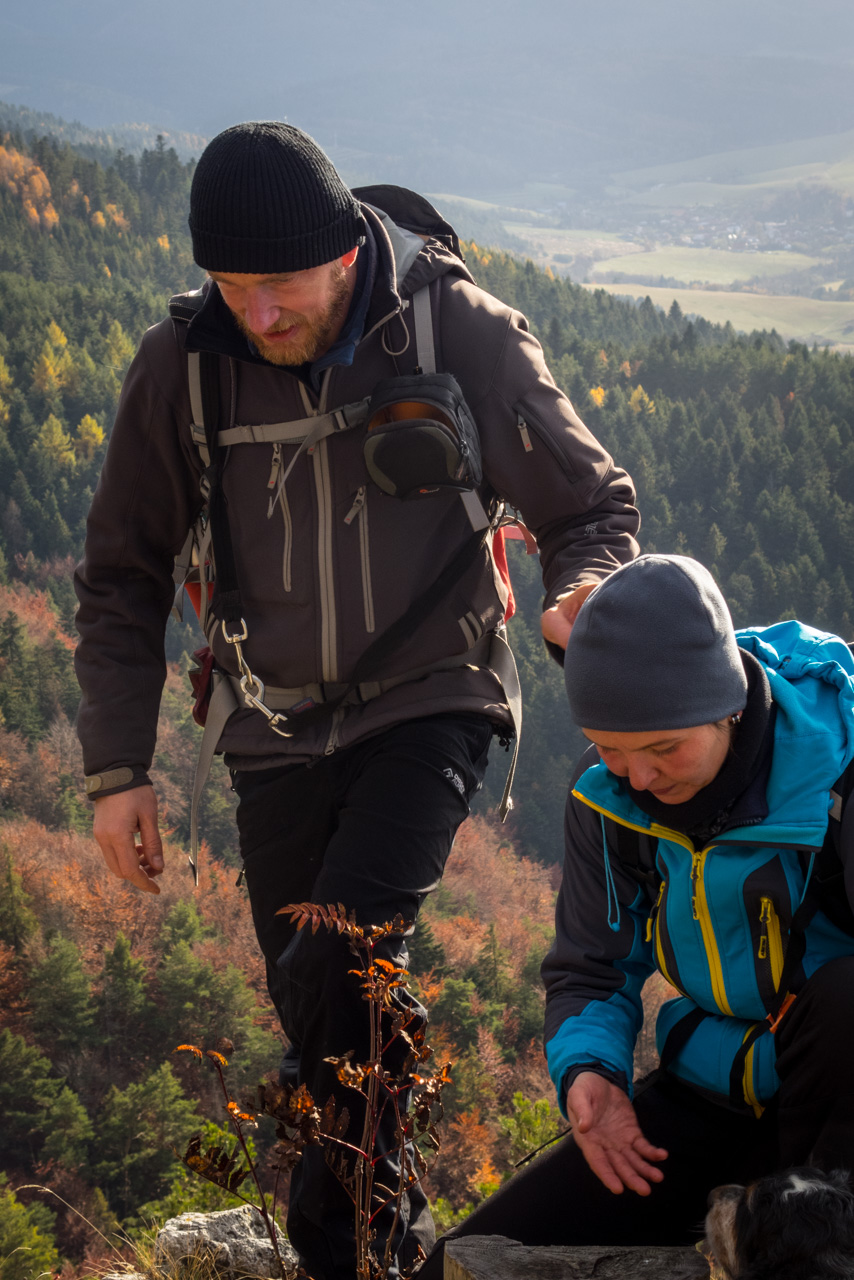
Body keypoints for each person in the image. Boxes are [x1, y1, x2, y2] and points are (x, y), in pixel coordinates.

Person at [73, 122, 640, 1279]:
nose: (257, 315)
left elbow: (591, 505)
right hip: (271, 722)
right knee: (314, 997)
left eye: (277, 287)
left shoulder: (451, 328)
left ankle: (352, 1251)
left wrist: (579, 584)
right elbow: (120, 575)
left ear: (342, 254)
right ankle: (395, 1242)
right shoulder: (181, 365)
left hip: (433, 690)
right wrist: (116, 769)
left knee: (342, 956)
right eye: (230, 288)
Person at [419, 554, 854, 1277]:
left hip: (838, 1099)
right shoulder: (608, 804)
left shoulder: (835, 776)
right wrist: (590, 1072)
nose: (642, 777)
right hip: (715, 1088)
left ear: (729, 705)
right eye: (615, 750)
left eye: (663, 748)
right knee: (457, 1266)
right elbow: (591, 968)